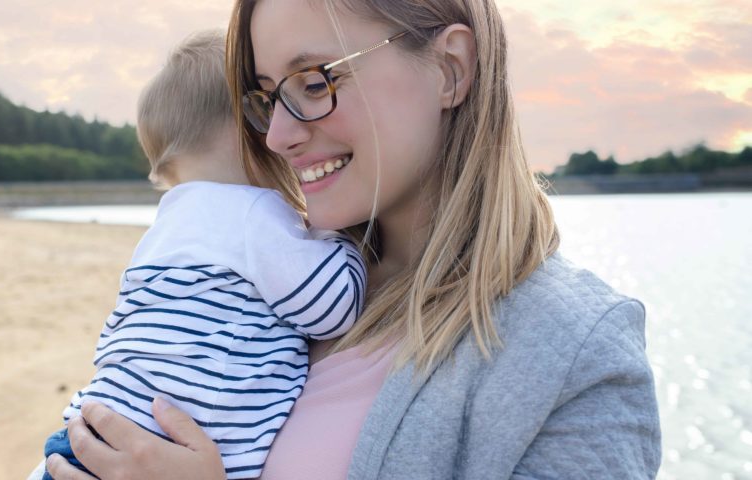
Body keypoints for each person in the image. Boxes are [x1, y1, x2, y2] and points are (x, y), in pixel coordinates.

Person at [45, 0, 662, 478]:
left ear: (451, 69)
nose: (277, 136)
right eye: (264, 99)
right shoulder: (264, 279)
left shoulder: (576, 358)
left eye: (314, 82)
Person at [32, 29, 366, 480]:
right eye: (265, 110)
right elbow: (332, 307)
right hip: (150, 452)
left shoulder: (163, 232)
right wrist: (343, 236)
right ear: (244, 132)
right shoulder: (252, 211)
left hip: (89, 438)